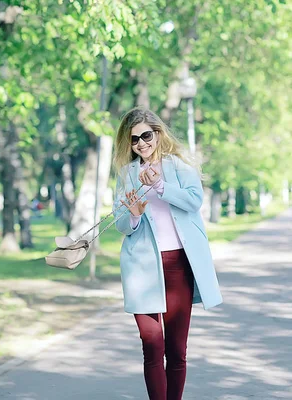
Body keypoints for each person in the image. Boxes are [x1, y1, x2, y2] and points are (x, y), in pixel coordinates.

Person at [112, 107, 223, 400]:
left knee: (176, 350)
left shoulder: (179, 166)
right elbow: (121, 224)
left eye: (146, 136)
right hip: (141, 267)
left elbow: (194, 200)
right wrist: (133, 215)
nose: (141, 144)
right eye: (134, 140)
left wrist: (160, 186)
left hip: (177, 266)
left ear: (158, 134)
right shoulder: (127, 175)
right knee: (152, 345)